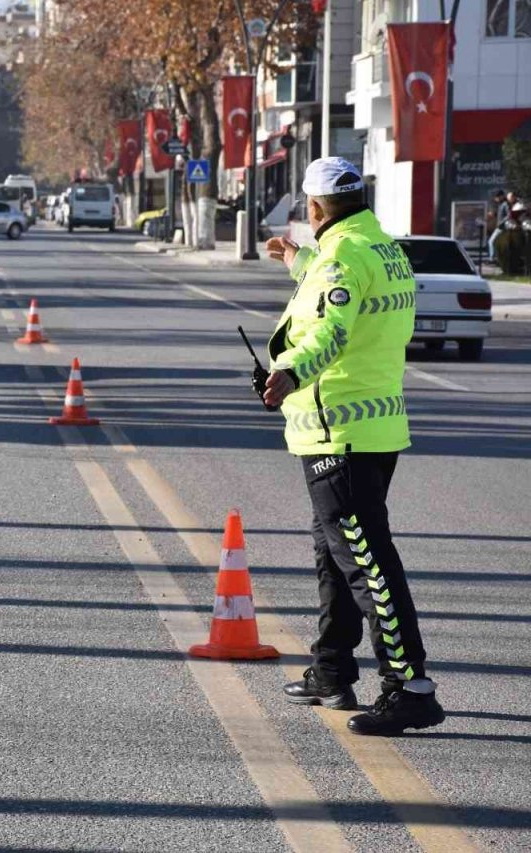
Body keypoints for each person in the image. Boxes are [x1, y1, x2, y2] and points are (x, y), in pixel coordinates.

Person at [262, 157, 444, 737]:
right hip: (373, 426)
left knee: (365, 561)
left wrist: (290, 369)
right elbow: (340, 296)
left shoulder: (342, 257)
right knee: (335, 556)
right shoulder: (381, 249)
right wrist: (299, 262)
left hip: (337, 428)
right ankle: (331, 669)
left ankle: (410, 686)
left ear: (315, 209)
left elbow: (332, 330)